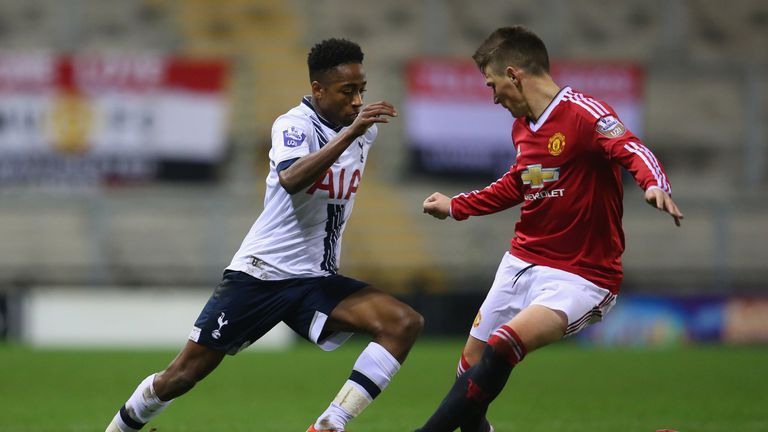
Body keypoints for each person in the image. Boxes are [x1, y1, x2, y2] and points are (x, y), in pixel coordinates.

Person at [105, 38, 423, 432]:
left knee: (402, 323)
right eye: (347, 91)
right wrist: (350, 133)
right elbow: (292, 179)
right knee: (182, 375)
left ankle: (330, 424)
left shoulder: (362, 131)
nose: (358, 101)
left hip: (314, 279)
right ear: (318, 90)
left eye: (362, 90)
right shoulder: (293, 125)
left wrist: (354, 130)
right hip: (262, 274)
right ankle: (119, 429)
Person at [416, 26, 684, 432]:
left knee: (505, 344)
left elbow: (631, 147)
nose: (493, 97)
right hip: (521, 260)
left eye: (492, 85)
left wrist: (654, 184)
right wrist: (457, 205)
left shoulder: (584, 112)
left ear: (514, 74)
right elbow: (520, 183)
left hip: (581, 275)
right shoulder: (523, 126)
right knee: (468, 369)